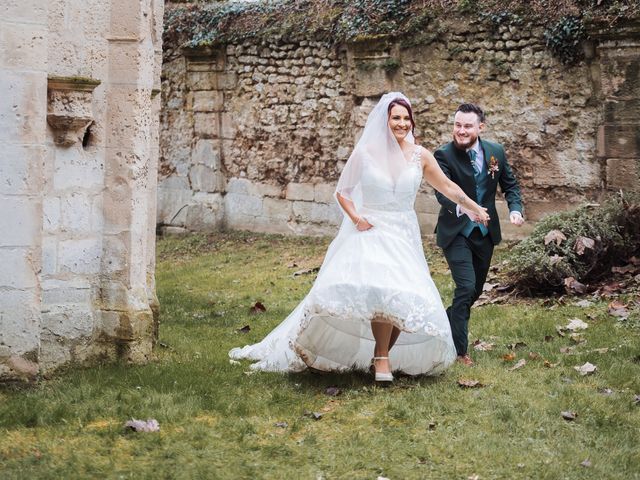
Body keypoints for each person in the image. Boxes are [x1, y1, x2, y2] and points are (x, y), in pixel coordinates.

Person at [229, 93, 489, 382]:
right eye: (396, 118)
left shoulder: (421, 155)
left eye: (406, 118)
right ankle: (381, 360)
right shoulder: (366, 152)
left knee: (403, 297)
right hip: (371, 230)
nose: (401, 124)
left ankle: (382, 357)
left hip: (403, 234)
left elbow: (448, 186)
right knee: (382, 290)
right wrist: (356, 218)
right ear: (385, 121)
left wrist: (474, 208)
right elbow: (343, 191)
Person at [434, 103, 524, 367]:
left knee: (474, 291)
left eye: (467, 126)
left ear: (480, 127)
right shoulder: (443, 155)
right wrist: (465, 209)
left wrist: (515, 209)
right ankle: (459, 351)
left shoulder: (495, 152)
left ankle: (447, 321)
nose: (461, 131)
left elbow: (510, 185)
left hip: (485, 233)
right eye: (457, 125)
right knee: (465, 286)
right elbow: (442, 192)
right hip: (456, 231)